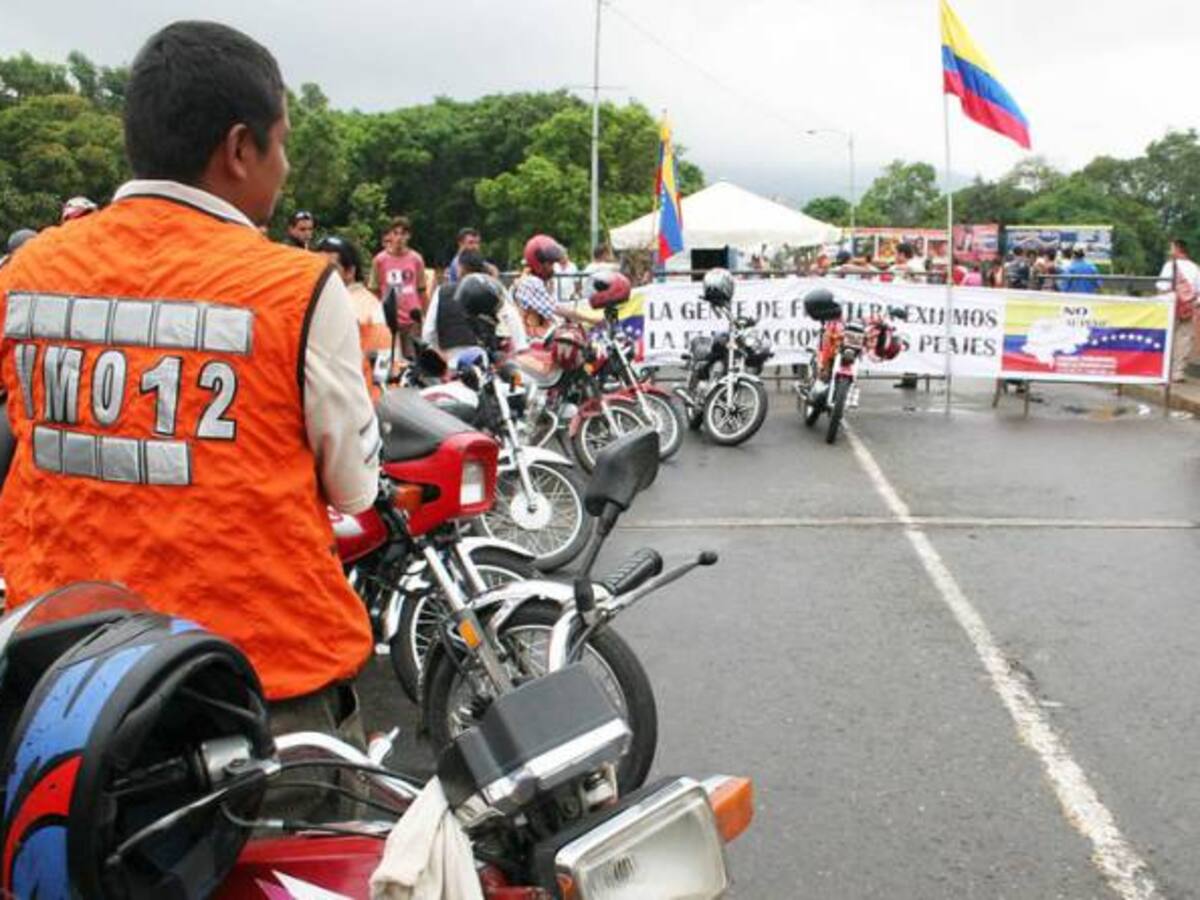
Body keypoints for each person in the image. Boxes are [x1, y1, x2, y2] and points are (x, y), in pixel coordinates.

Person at [0, 22, 378, 748]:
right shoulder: (297, 288)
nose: (287, 164)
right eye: (283, 141)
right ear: (239, 149)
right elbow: (355, 488)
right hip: (256, 692)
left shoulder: (28, 274)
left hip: (67, 693)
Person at [315, 234, 391, 396]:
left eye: (331, 268)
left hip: (354, 396)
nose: (321, 273)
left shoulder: (356, 305)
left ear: (350, 271)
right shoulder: (334, 298)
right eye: (317, 267)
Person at [512, 234, 593, 336]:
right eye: (550, 264)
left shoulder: (537, 281)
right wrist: (591, 318)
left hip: (537, 337)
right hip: (532, 341)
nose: (553, 268)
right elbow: (555, 309)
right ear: (539, 264)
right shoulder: (531, 282)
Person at [370, 215, 427, 357]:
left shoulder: (416, 259)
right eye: (396, 233)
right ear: (390, 235)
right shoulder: (380, 260)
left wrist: (424, 314)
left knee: (412, 357)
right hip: (390, 317)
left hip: (411, 317)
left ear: (409, 236)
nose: (399, 238)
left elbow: (421, 289)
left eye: (403, 234)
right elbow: (374, 290)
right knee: (390, 357)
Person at [1157, 238, 1200, 381]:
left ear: (1178, 249)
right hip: (1187, 308)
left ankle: (1163, 370)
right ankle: (1177, 372)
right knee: (1184, 339)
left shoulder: (1170, 266)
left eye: (1171, 248)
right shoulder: (1195, 268)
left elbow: (1161, 287)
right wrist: (1194, 304)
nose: (1169, 251)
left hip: (1170, 307)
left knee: (1166, 338)